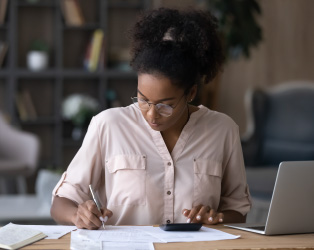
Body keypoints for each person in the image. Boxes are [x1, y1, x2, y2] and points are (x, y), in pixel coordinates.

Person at [51, 7, 251, 230]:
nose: (151, 114)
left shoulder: (223, 130)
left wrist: (216, 217)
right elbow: (61, 202)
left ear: (191, 94)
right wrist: (78, 214)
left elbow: (238, 211)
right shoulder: (108, 125)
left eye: (165, 105)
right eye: (143, 99)